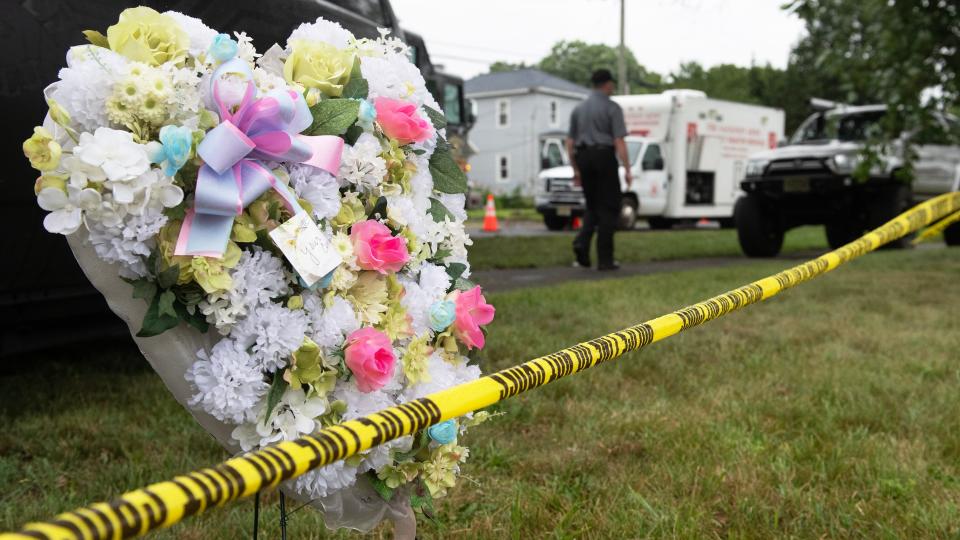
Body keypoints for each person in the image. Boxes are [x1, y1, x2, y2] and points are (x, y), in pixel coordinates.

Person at [566, 68, 632, 271]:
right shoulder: (612, 108)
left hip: (583, 157)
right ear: (607, 84)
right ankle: (605, 260)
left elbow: (569, 143)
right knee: (609, 208)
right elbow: (618, 140)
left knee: (593, 207)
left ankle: (582, 245)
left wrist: (576, 169)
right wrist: (628, 169)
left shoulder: (578, 109)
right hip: (604, 156)